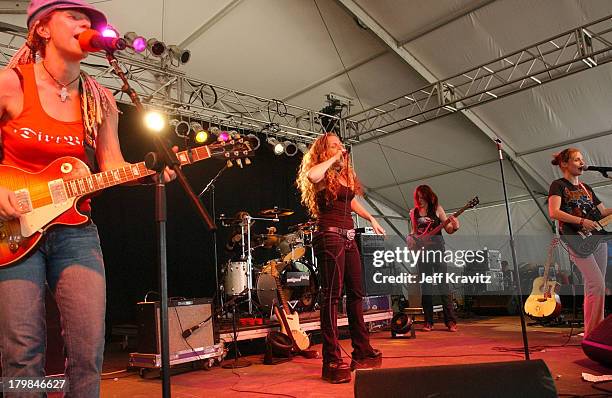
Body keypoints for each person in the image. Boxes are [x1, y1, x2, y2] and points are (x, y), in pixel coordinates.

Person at [0, 1, 175, 396]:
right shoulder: (11, 83)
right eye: (74, 16)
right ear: (42, 29)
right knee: (21, 352)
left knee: (88, 347)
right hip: (12, 232)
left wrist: (147, 172)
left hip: (76, 232)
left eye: (92, 20)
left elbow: (110, 166)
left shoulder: (100, 99)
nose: (86, 24)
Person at [296, 132, 385, 384]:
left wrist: (371, 218)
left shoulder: (344, 174)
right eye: (334, 145)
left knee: (356, 294)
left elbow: (351, 201)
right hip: (330, 236)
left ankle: (362, 350)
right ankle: (332, 358)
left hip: (348, 236)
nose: (340, 148)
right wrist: (334, 158)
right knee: (332, 297)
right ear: (323, 150)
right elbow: (312, 175)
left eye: (340, 145)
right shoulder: (321, 173)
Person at [548, 148, 610, 337]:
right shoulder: (558, 185)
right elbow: (554, 212)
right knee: (597, 284)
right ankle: (594, 334)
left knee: (594, 286)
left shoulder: (586, 188)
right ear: (564, 164)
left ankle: (592, 330)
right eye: (577, 159)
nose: (582, 162)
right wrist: (582, 221)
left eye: (582, 159)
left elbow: (602, 212)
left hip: (597, 239)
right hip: (575, 238)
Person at [407, 185, 459, 332]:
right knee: (426, 288)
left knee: (443, 286)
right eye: (418, 198)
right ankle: (428, 321)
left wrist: (455, 226)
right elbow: (414, 231)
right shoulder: (414, 213)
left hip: (437, 251)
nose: (420, 200)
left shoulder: (437, 209)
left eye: (422, 197)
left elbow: (448, 229)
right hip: (422, 253)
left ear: (429, 197)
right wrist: (410, 240)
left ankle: (450, 322)